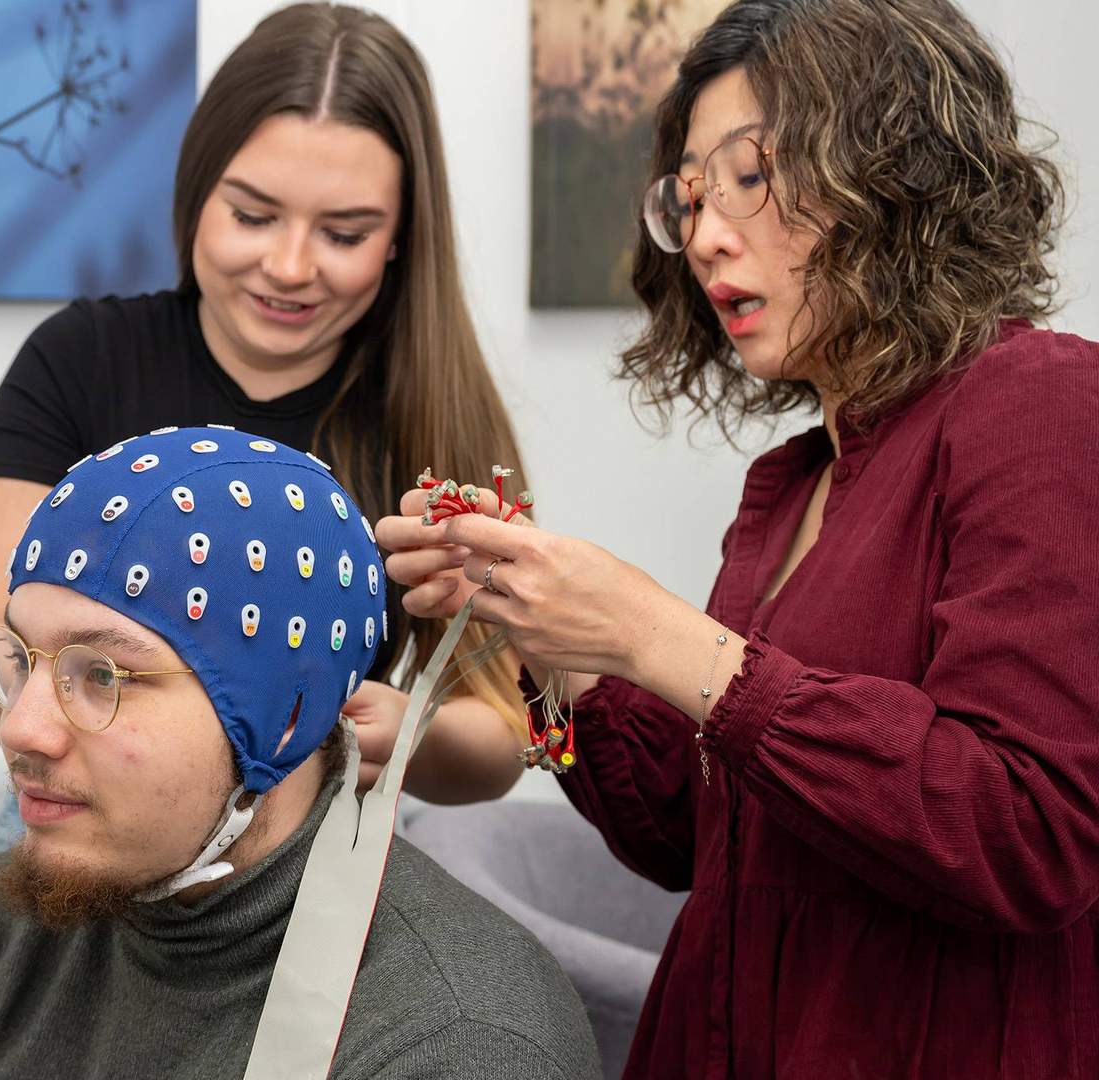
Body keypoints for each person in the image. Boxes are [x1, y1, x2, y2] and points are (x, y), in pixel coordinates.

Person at [376, 0, 1099, 1076]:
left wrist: (661, 636)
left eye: (750, 176)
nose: (709, 233)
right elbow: (691, 840)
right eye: (693, 197)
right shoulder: (796, 482)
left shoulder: (1039, 400)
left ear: (893, 163)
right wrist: (554, 642)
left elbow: (1026, 832)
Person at [0, 4, 529, 835]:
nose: (288, 267)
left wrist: (409, 732)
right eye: (252, 216)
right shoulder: (81, 359)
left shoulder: (432, 408)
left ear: (399, 239)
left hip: (313, 865)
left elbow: (505, 727)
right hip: (81, 833)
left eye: (345, 233)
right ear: (197, 192)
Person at [0, 428, 600, 1080]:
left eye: (102, 675)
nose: (20, 729)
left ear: (282, 719)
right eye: (23, 657)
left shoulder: (458, 1038)